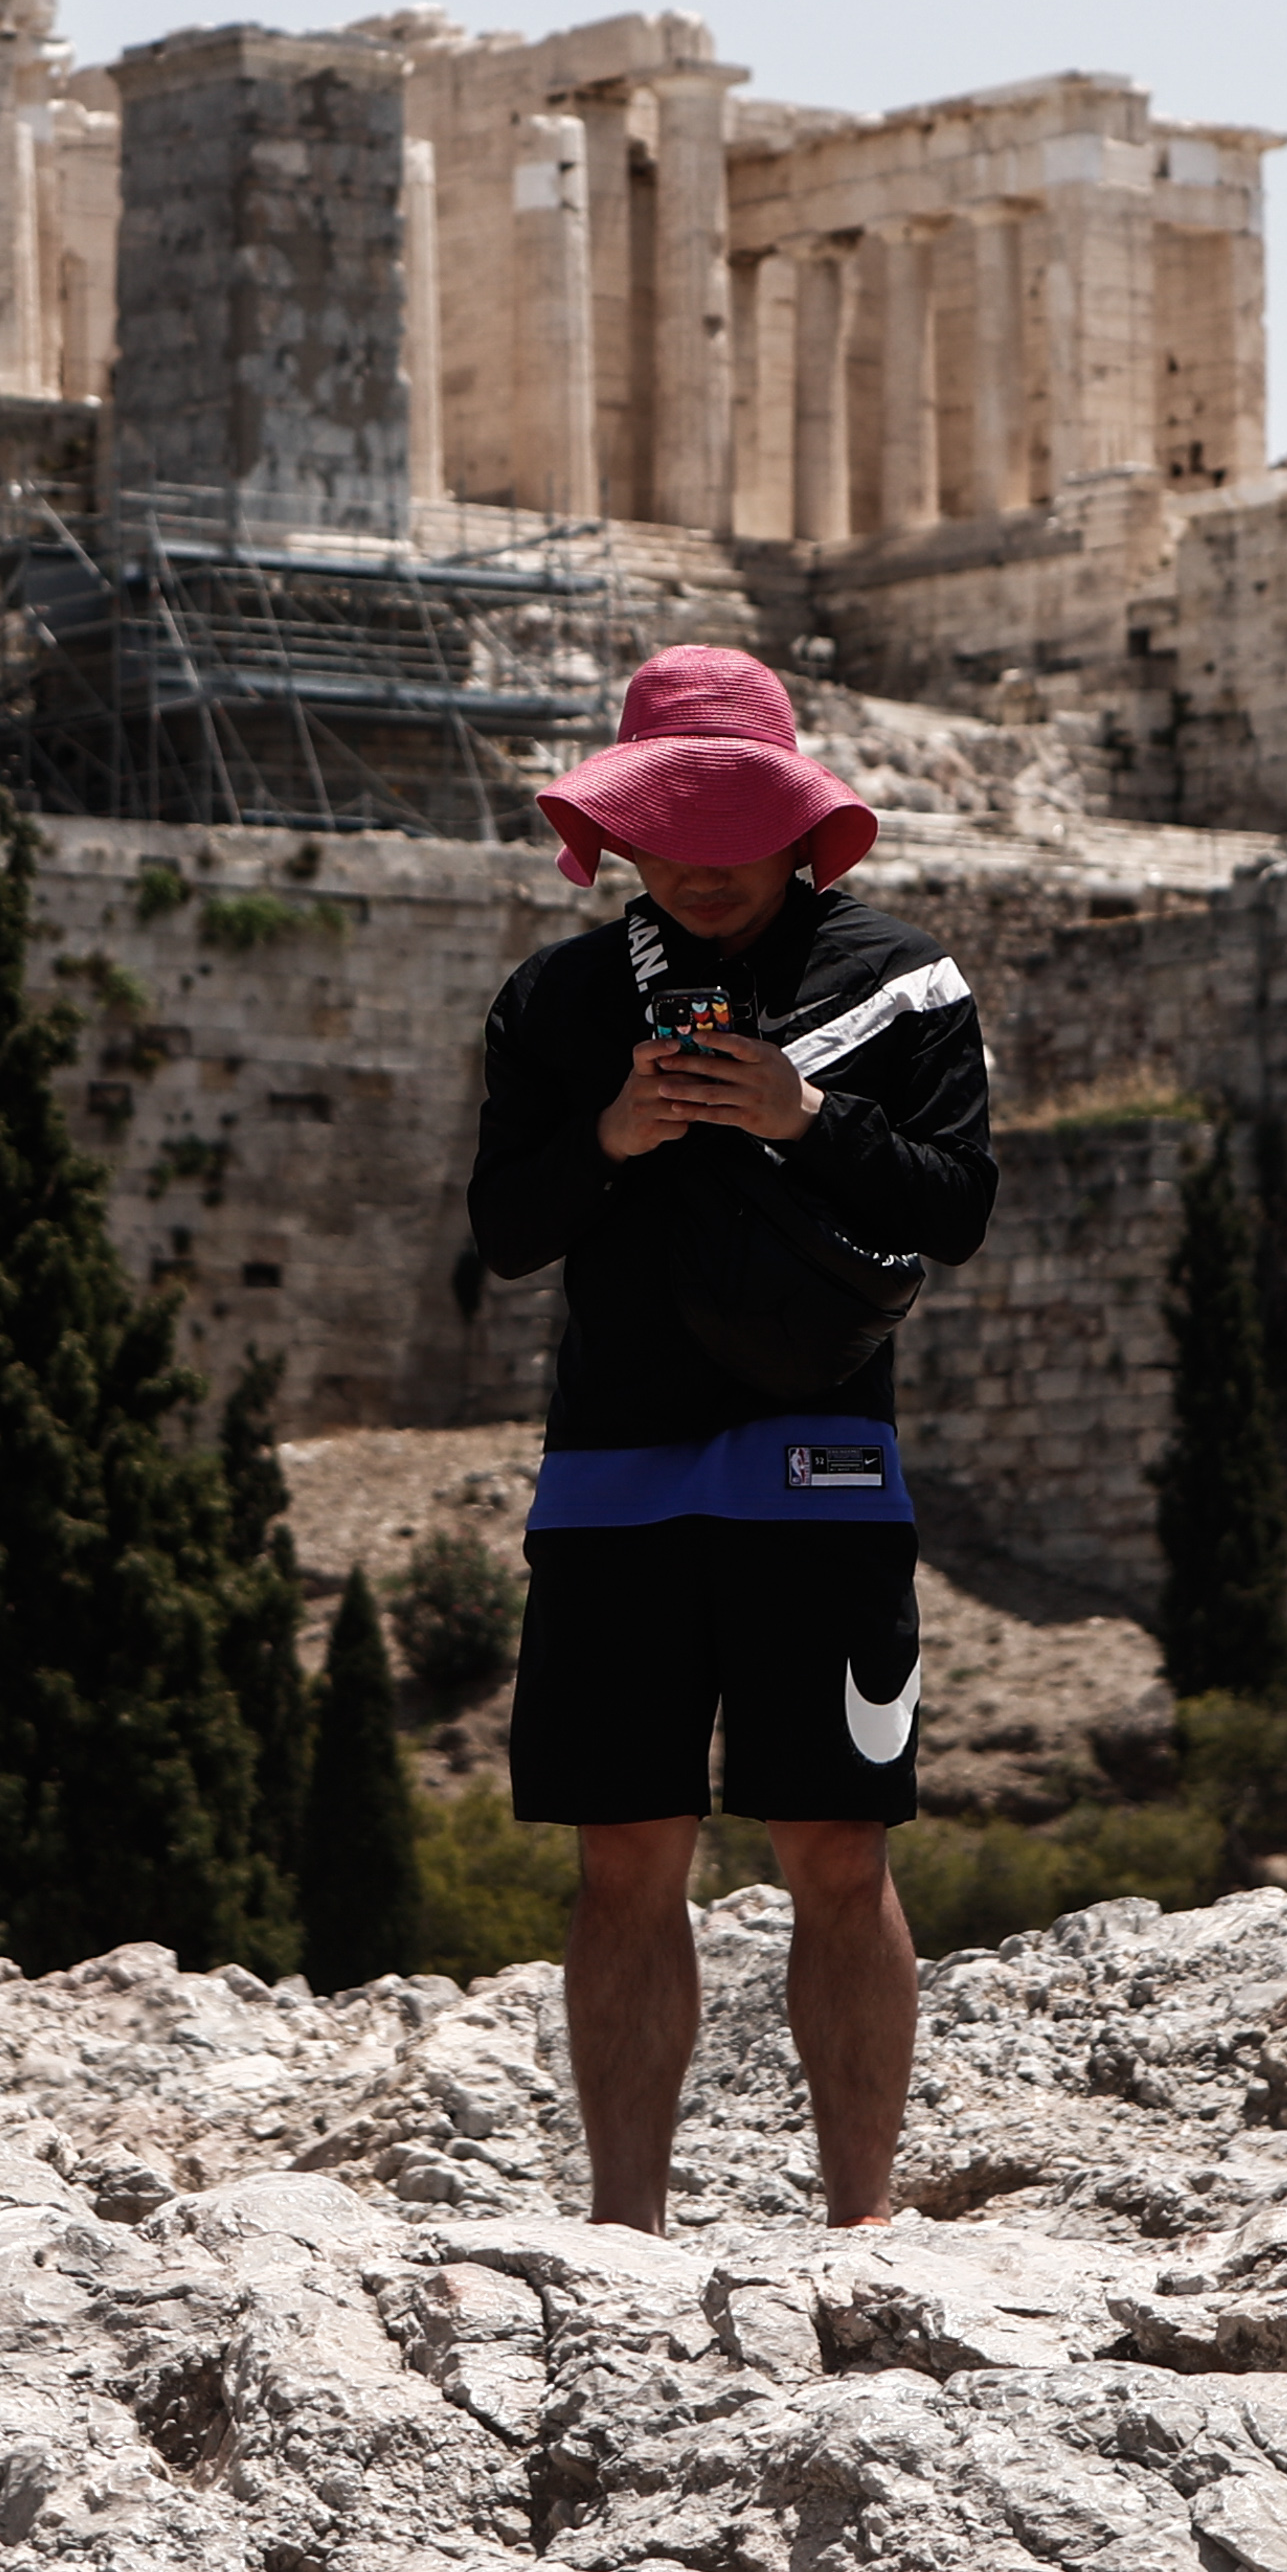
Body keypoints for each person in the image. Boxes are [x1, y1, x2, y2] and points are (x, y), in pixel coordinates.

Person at [466, 648, 995, 2229]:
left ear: (797, 829)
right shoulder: (557, 1002)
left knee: (837, 1846)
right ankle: (624, 2226)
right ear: (615, 838)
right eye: (664, 833)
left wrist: (802, 1116)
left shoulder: (904, 984)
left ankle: (862, 2223)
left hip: (819, 1469)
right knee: (623, 1852)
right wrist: (611, 1136)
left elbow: (957, 1206)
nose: (697, 867)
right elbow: (501, 1230)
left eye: (730, 828)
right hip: (613, 1473)